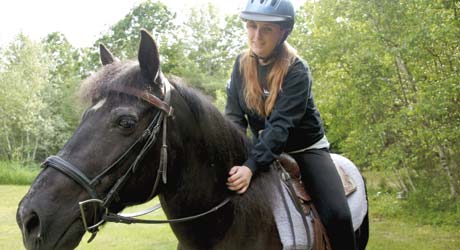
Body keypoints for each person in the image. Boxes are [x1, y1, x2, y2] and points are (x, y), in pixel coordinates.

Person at [224, 0, 356, 249]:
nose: (256, 37)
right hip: (261, 146)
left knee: (338, 215)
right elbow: (233, 117)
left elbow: (280, 126)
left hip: (305, 149)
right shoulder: (241, 64)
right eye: (252, 26)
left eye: (267, 29)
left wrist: (251, 166)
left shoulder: (297, 70)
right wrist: (233, 154)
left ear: (283, 32)